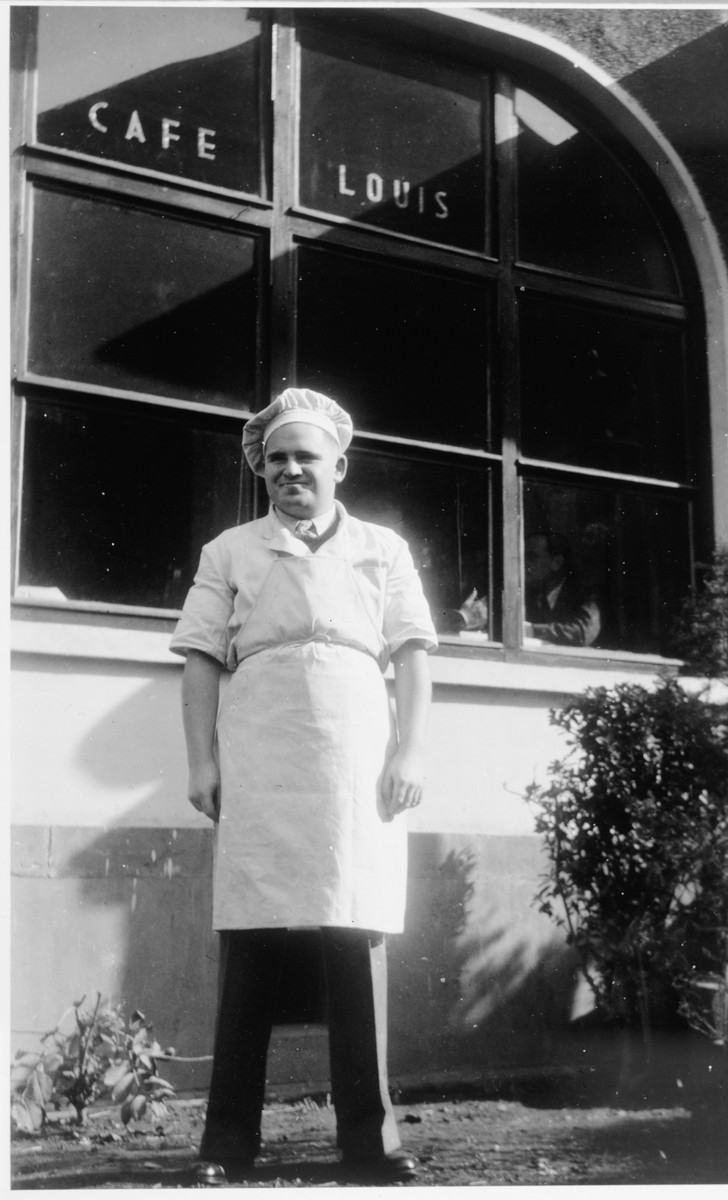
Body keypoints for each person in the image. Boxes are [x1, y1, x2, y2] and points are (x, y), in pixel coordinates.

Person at [169, 388, 437, 1185]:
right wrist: (201, 761)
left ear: (339, 467)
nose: (291, 471)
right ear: (264, 469)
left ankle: (371, 1145)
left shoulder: (383, 549)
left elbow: (415, 656)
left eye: (307, 458)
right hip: (260, 754)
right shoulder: (230, 550)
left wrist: (410, 753)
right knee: (251, 942)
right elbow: (198, 659)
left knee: (355, 939)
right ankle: (225, 1147)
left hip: (357, 758)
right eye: (278, 458)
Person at [524, 530, 601, 647]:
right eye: (522, 557)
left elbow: (582, 633)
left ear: (557, 562)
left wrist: (532, 630)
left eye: (531, 557)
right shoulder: (528, 593)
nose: (524, 563)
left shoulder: (585, 593)